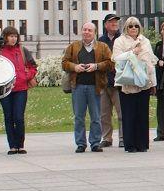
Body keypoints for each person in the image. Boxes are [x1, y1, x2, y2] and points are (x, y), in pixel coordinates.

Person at [62, 23, 113, 153]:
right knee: (79, 116)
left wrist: (96, 66)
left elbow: (110, 63)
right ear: (81, 31)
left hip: (95, 86)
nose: (86, 32)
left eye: (89, 30)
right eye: (84, 30)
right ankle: (80, 143)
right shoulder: (73, 46)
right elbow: (64, 63)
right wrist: (75, 67)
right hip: (78, 86)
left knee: (96, 116)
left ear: (94, 33)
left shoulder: (102, 47)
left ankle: (95, 143)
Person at [113, 17, 157, 152]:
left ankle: (142, 144)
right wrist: (132, 52)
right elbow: (116, 58)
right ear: (126, 27)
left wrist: (153, 83)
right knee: (129, 114)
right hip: (128, 82)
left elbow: (151, 62)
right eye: (130, 26)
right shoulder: (119, 41)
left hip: (143, 82)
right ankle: (130, 144)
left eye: (136, 26)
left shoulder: (146, 41)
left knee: (142, 114)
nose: (133, 28)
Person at [0, 26, 37, 154]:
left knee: (19, 117)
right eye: (11, 36)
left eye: (15, 36)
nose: (13, 39)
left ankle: (20, 144)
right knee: (8, 117)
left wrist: (26, 76)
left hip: (21, 88)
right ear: (5, 37)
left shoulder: (22, 50)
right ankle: (12, 146)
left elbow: (33, 66)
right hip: (6, 89)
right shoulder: (0, 51)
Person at [99, 14, 124, 148]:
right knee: (104, 113)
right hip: (104, 82)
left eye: (116, 22)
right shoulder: (101, 41)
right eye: (111, 21)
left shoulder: (122, 39)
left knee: (121, 112)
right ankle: (107, 138)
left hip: (118, 81)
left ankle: (122, 137)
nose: (114, 23)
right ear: (105, 25)